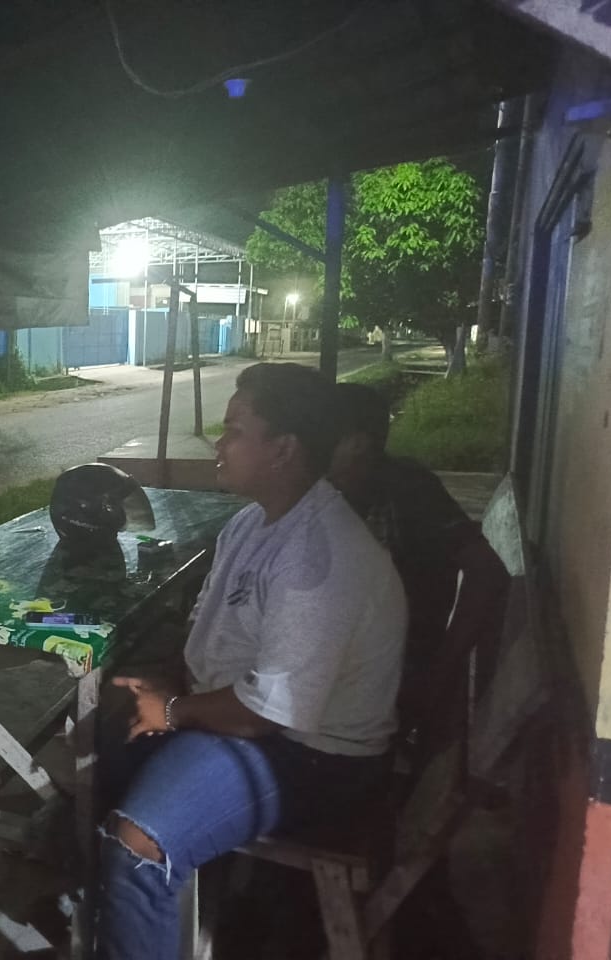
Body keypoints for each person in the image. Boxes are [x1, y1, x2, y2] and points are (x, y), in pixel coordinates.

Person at [99, 363, 407, 959]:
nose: (219, 443)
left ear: (283, 449)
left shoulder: (319, 559)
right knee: (110, 726)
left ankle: (134, 893)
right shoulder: (252, 521)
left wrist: (174, 709)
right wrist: (168, 689)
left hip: (317, 757)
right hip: (261, 725)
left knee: (137, 844)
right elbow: (212, 633)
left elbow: (268, 711)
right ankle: (119, 914)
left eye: (235, 430)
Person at [328, 381, 508, 740]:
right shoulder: (331, 490)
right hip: (352, 662)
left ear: (357, 443)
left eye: (319, 431)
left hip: (393, 672)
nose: (306, 443)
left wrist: (440, 672)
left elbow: (487, 571)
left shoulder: (407, 488)